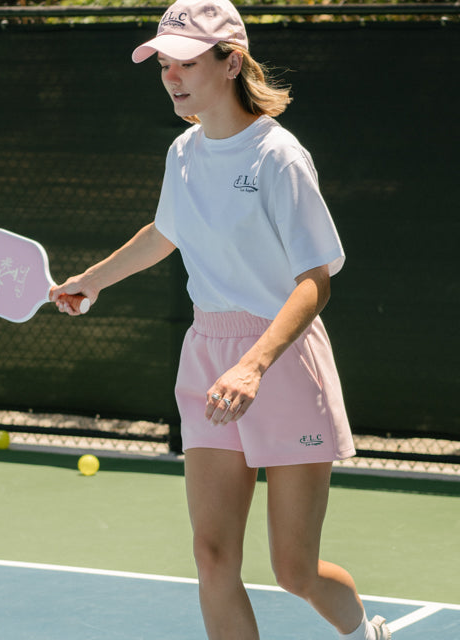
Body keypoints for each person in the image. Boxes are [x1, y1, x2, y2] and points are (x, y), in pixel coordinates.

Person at [50, 1, 391, 638]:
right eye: (163, 66)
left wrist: (255, 364)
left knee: (294, 569)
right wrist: (89, 281)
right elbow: (165, 233)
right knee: (212, 558)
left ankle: (365, 631)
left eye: (186, 63)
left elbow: (315, 279)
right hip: (207, 353)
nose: (171, 77)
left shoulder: (279, 157)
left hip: (281, 360)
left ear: (230, 62)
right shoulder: (183, 152)